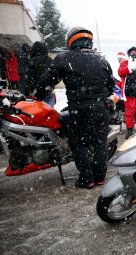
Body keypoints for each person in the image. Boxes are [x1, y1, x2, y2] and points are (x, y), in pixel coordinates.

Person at [36, 26, 115, 189]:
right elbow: (111, 85)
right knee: (99, 143)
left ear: (71, 40)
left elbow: (47, 81)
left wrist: (36, 95)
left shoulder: (64, 58)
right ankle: (100, 177)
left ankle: (87, 178)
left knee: (78, 144)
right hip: (100, 108)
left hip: (79, 108)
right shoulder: (102, 60)